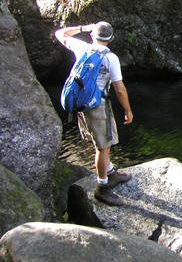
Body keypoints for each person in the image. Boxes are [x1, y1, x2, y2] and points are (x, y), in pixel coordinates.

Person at [55, 21, 133, 206]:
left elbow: (60, 33)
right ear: (111, 38)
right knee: (103, 146)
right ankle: (102, 188)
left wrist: (84, 28)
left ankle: (111, 172)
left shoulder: (83, 48)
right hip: (97, 106)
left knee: (100, 141)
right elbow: (120, 89)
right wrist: (128, 110)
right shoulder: (110, 58)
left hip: (82, 103)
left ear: (93, 36)